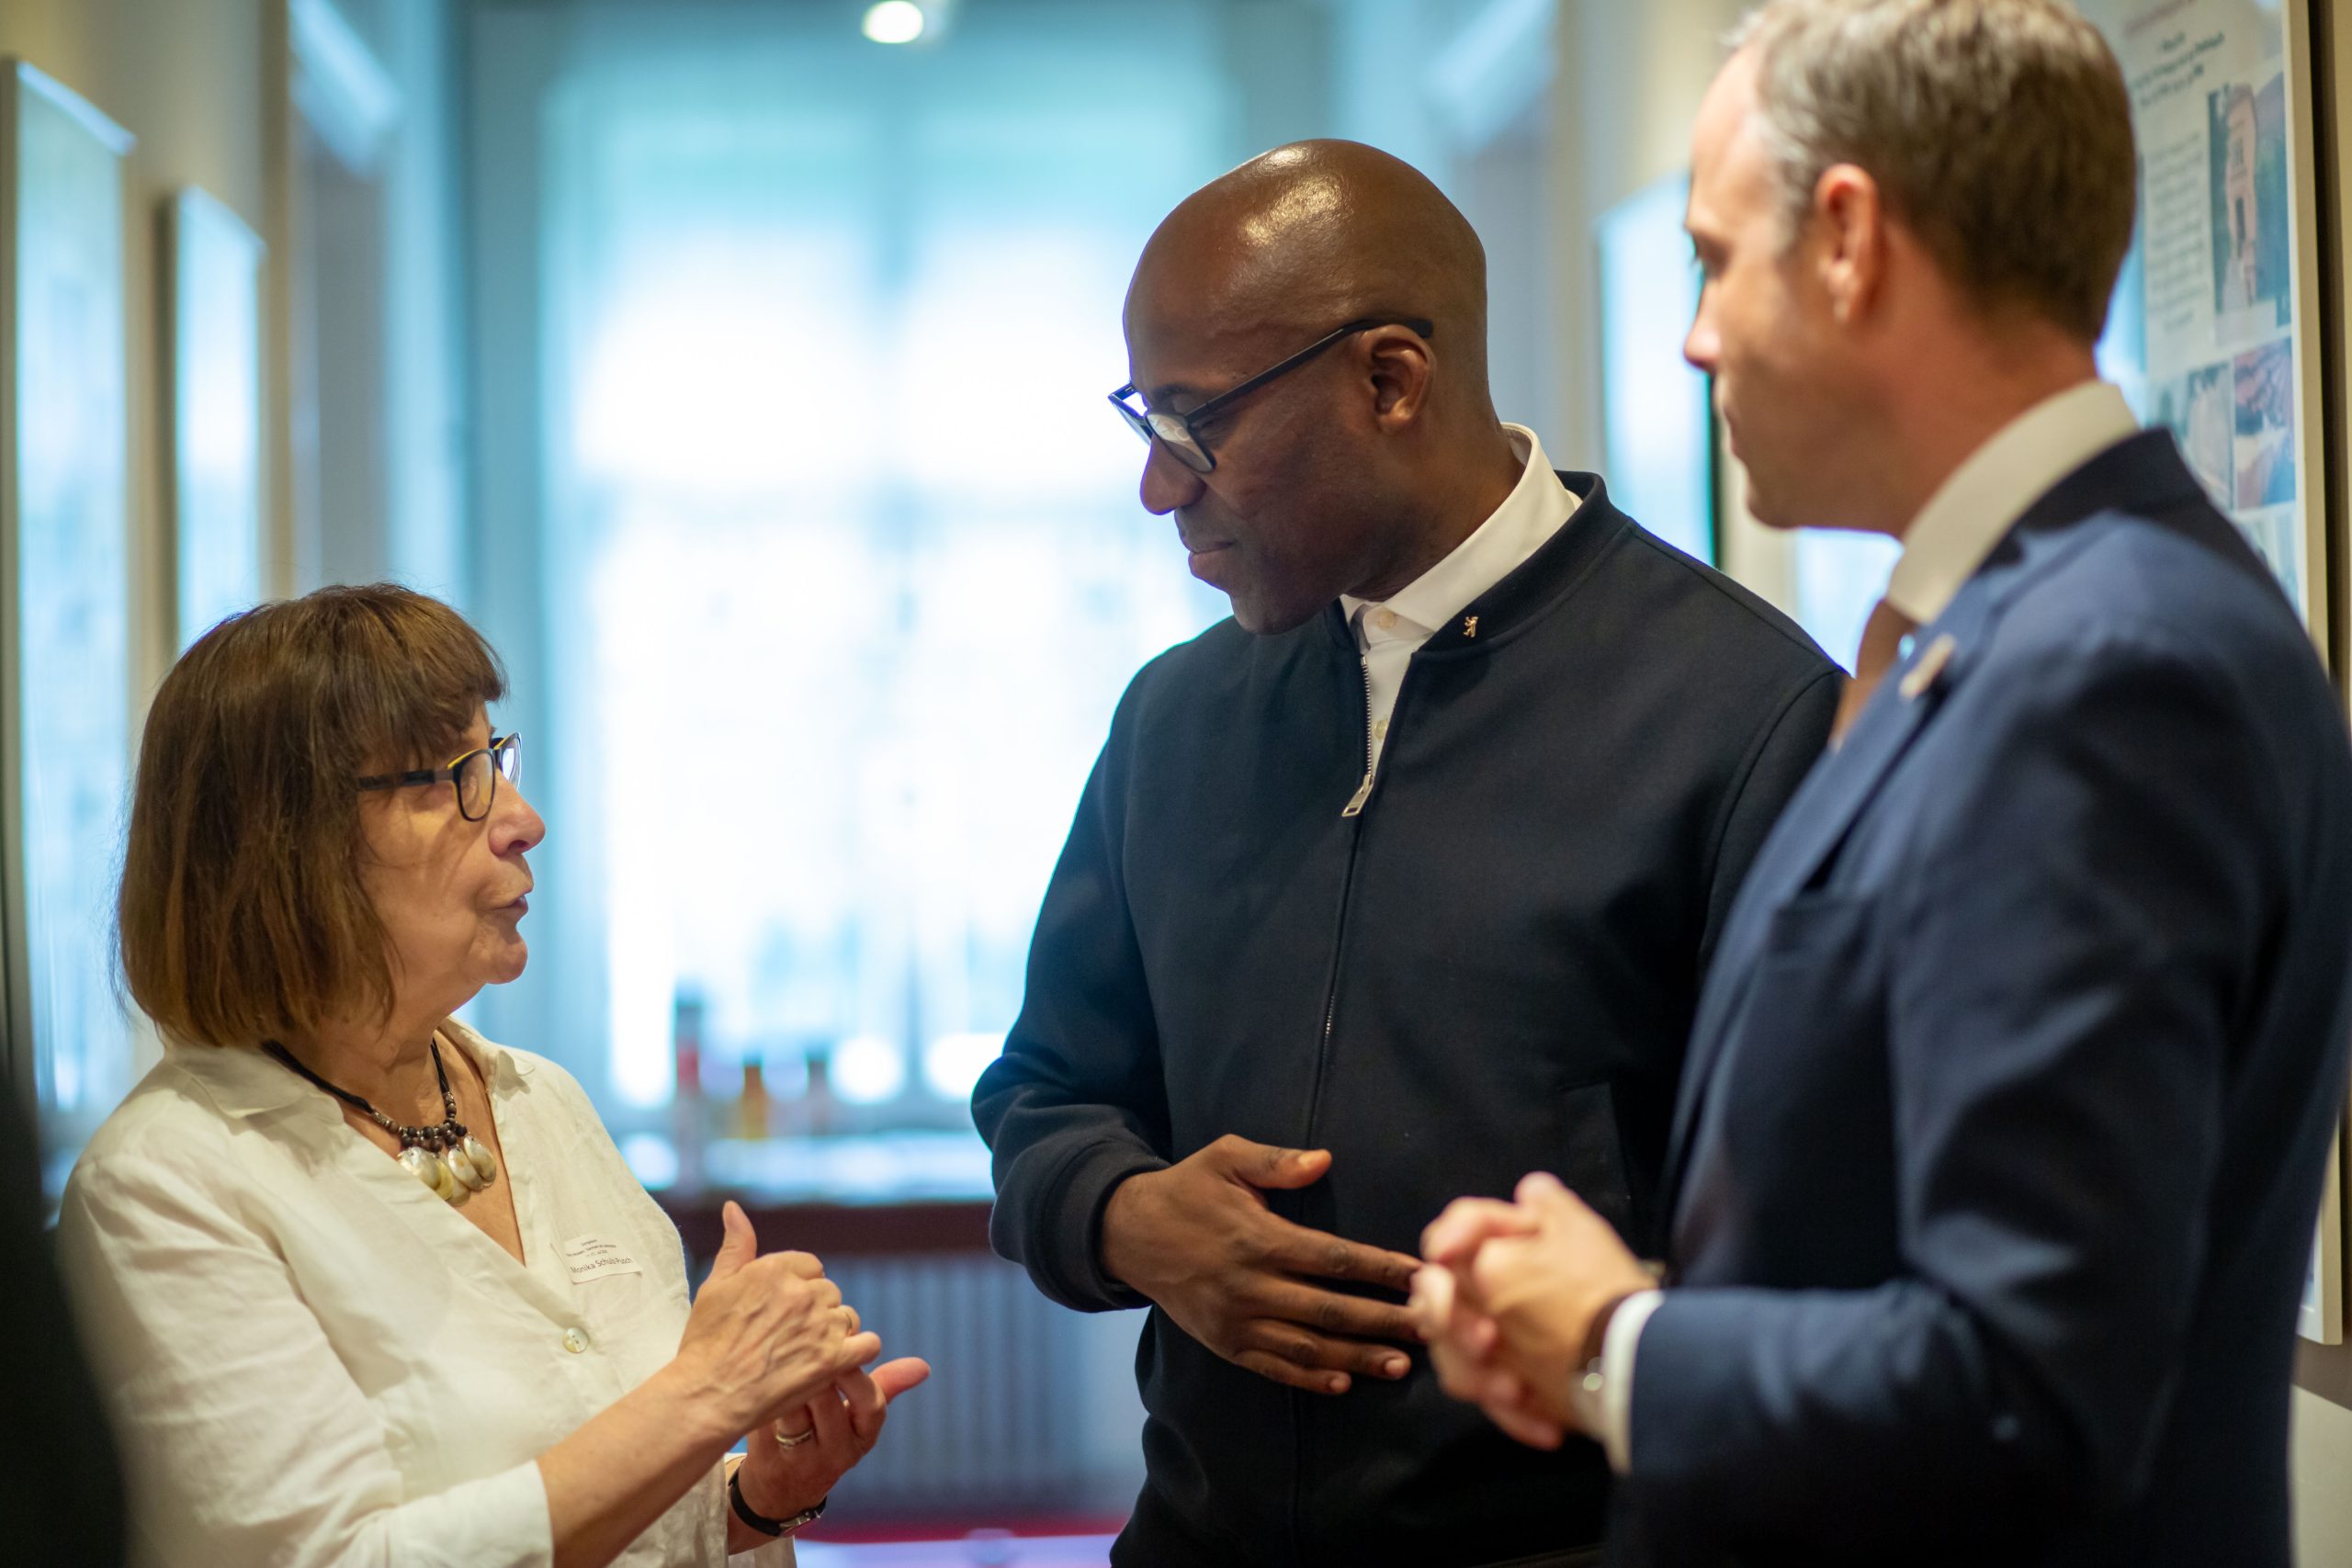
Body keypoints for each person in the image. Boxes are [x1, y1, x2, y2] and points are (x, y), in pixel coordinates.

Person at [1413, 5, 2352, 1565]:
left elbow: (2029, 1386)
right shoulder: (2025, 625)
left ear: (1848, 240)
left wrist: (1615, 1343)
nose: (1695, 337)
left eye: (1715, 260)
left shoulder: (2105, 671)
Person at [974, 140, 1838, 1566]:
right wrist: (1125, 1214)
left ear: (1390, 380)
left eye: (1197, 423)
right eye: (1144, 418)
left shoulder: (1741, 715)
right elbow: (1044, 1092)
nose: (1157, 486)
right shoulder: (1174, 720)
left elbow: (1811, 1251)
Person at [59, 584, 929, 1567]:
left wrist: (755, 1499)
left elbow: (598, 1502)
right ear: (284, 842)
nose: (523, 820)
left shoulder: (537, 1097)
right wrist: (707, 1393)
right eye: (453, 776)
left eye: (496, 759)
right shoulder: (163, 1186)